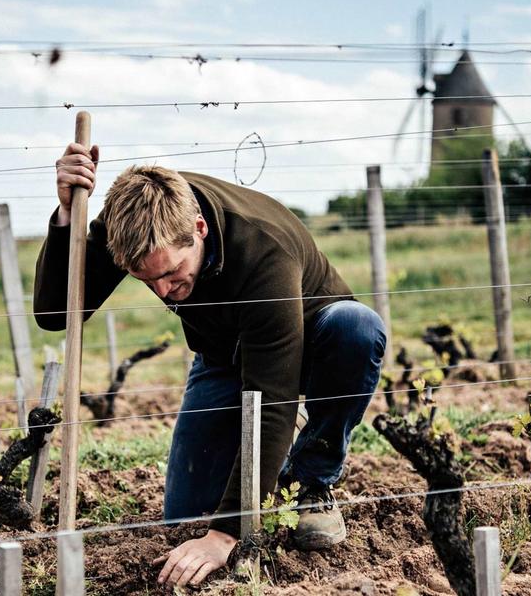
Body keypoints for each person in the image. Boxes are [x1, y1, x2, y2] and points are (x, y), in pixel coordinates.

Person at [34, 142, 386, 589]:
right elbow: (56, 314)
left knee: (356, 328)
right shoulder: (131, 226)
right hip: (222, 357)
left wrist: (226, 534)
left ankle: (313, 477)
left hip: (311, 343)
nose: (164, 291)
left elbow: (271, 396)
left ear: (199, 228)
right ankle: (266, 471)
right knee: (184, 519)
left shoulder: (263, 253)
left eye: (173, 272)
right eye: (148, 280)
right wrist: (67, 216)